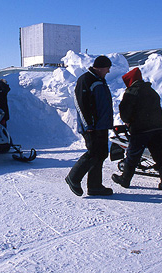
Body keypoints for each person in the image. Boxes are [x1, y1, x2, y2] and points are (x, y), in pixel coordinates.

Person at [111, 67, 162, 192]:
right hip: (157, 128)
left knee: (132, 155)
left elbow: (125, 113)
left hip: (140, 130)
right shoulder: (152, 91)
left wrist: (128, 121)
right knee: (159, 156)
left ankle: (125, 179)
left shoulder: (131, 92)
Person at [65, 55, 114, 196]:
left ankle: (95, 186)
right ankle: (73, 178)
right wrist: (88, 125)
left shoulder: (100, 80)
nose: (108, 71)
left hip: (102, 125)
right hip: (92, 126)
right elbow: (81, 104)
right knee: (93, 153)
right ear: (99, 67)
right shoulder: (85, 80)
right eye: (107, 68)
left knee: (101, 154)